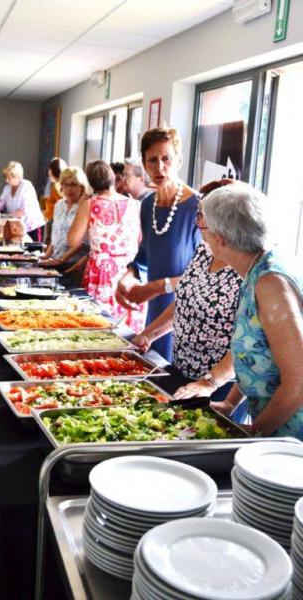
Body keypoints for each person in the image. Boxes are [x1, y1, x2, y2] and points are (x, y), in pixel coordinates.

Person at [199, 181, 303, 438]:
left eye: (206, 228)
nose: (203, 235)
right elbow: (254, 353)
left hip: (291, 436)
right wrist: (230, 403)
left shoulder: (270, 283)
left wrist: (254, 432)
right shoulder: (256, 269)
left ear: (220, 239)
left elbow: (299, 381)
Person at [131, 179, 243, 405]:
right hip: (182, 373)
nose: (197, 222)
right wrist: (148, 335)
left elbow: (248, 343)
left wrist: (209, 382)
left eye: (202, 216)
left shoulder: (243, 265)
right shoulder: (205, 250)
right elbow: (185, 301)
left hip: (219, 387)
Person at [115, 127, 201, 360]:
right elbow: (144, 255)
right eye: (152, 160)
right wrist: (129, 276)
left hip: (186, 315)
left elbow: (205, 278)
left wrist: (156, 287)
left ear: (179, 160)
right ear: (144, 164)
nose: (159, 167)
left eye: (166, 159)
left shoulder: (198, 208)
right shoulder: (146, 205)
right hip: (154, 310)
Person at [67, 160, 144, 330]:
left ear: (90, 182)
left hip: (100, 272)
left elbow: (72, 240)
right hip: (128, 273)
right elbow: (140, 240)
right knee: (126, 330)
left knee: (96, 328)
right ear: (112, 178)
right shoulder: (136, 205)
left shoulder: (90, 205)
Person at [39, 167, 89, 267]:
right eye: (65, 185)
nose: (69, 189)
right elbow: (55, 236)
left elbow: (83, 241)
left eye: (74, 185)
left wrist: (62, 260)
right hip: (55, 259)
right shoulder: (59, 205)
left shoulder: (85, 206)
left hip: (74, 263)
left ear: (81, 187)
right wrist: (46, 256)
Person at [0, 161, 45, 241]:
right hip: (17, 227)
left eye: (9, 178)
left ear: (17, 176)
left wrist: (7, 216)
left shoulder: (26, 186)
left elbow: (25, 210)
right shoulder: (7, 189)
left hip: (32, 227)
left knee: (34, 251)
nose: (6, 180)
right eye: (5, 177)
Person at [44, 157, 67, 245]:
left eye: (50, 170)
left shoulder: (57, 186)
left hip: (54, 219)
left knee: (49, 243)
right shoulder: (57, 185)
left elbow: (61, 202)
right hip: (52, 218)